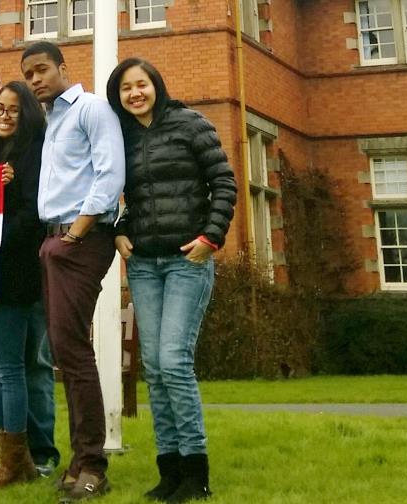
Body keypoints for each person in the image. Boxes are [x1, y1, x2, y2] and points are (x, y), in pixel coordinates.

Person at [106, 58, 237, 503]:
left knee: (174, 362)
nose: (134, 93)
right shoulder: (121, 137)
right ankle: (169, 471)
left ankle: (196, 474)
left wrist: (211, 237)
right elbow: (120, 194)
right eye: (126, 89)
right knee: (156, 370)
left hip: (187, 261)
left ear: (156, 85)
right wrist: (119, 229)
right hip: (144, 263)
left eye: (141, 84)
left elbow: (223, 182)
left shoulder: (190, 124)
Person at [20, 41, 125, 501]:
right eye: (29, 74)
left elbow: (109, 174)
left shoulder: (90, 109)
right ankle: (79, 458)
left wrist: (76, 234)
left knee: (73, 351)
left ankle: (93, 466)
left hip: (80, 239)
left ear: (63, 67)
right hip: (55, 239)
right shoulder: (52, 120)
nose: (36, 79)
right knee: (66, 349)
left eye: (42, 69)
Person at [0, 59, 61, 477]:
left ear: (28, 115)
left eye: (12, 109)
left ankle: (18, 459)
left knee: (10, 367)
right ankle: (15, 451)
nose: (2, 115)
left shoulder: (35, 155)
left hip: (15, 274)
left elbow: (34, 216)